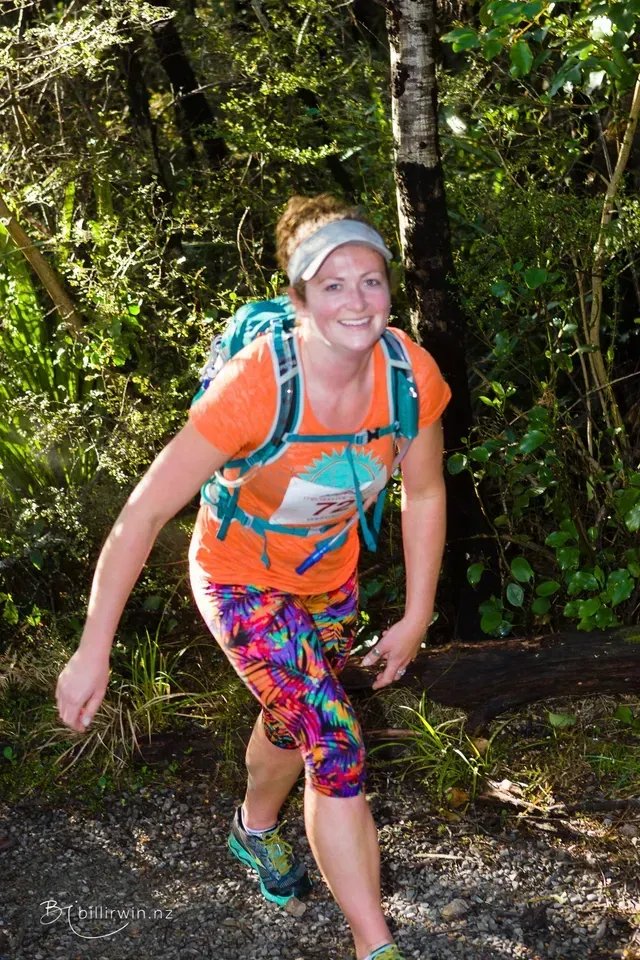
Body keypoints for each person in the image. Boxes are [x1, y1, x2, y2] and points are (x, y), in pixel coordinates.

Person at [56, 194, 450, 960]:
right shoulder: (257, 386)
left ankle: (255, 829)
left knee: (294, 713)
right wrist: (92, 647)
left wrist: (418, 613)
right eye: (333, 284)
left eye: (371, 281)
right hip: (238, 578)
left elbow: (426, 491)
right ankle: (378, 947)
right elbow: (141, 515)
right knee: (334, 738)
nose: (358, 300)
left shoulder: (409, 374)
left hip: (327, 579)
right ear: (298, 296)